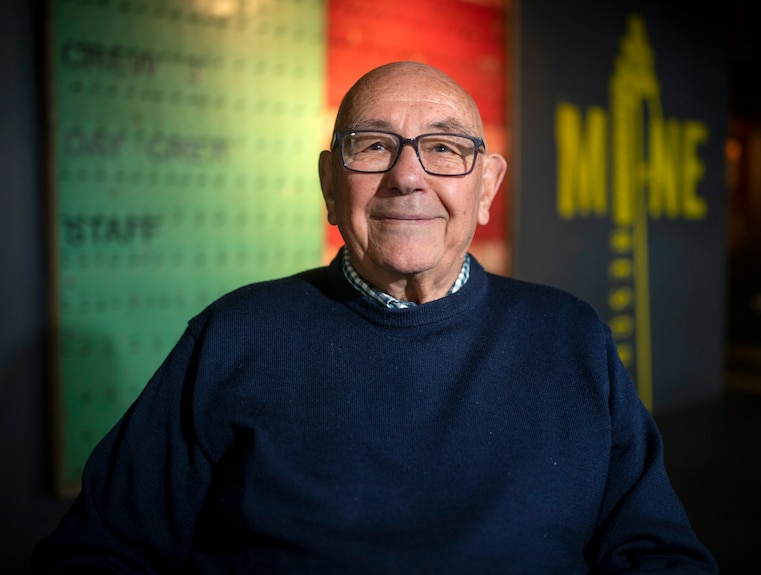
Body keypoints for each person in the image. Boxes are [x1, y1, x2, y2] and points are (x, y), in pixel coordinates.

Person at [33, 61, 717, 574]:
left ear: (487, 189)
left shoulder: (571, 340)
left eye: (445, 149)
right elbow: (101, 551)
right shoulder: (234, 337)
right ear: (331, 185)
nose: (407, 176)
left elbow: (656, 551)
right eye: (373, 146)